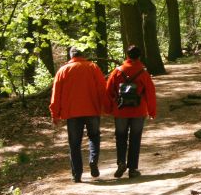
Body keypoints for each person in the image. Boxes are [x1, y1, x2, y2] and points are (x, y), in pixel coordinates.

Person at [49, 47, 108, 183]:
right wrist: (105, 107)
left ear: (71, 56)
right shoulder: (92, 67)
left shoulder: (63, 70)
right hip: (92, 110)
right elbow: (102, 88)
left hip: (72, 113)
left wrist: (55, 114)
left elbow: (56, 94)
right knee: (94, 137)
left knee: (74, 143)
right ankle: (93, 160)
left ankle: (77, 174)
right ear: (83, 55)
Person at [106, 45, 157, 179]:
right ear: (139, 56)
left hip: (120, 110)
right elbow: (150, 93)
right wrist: (152, 111)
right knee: (135, 138)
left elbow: (109, 90)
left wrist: (111, 107)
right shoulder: (143, 72)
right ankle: (133, 169)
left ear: (127, 55)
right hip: (138, 111)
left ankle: (121, 163)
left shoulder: (117, 71)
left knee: (120, 137)